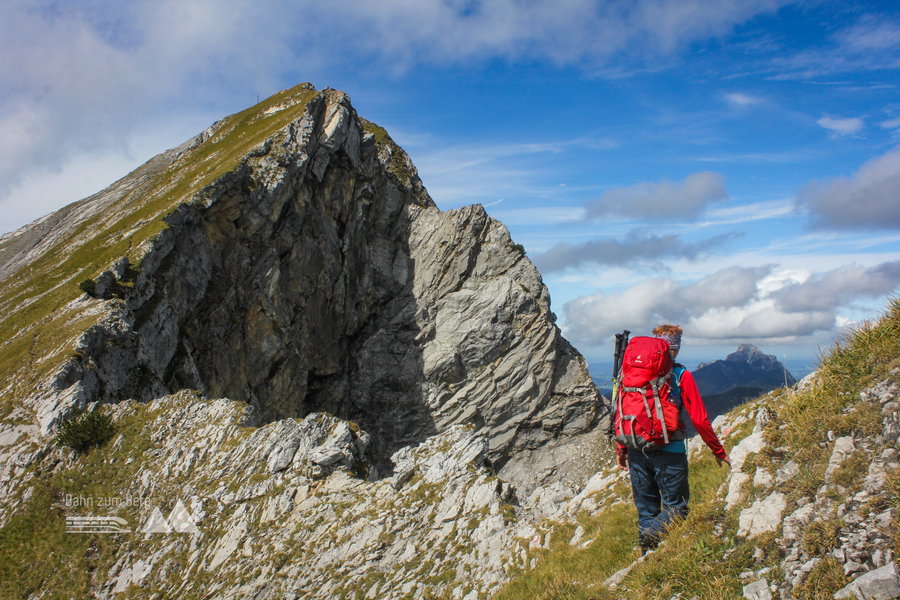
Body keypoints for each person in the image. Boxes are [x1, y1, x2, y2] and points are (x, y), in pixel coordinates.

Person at [615, 324, 731, 553]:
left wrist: (622, 449)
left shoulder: (628, 374)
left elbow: (621, 412)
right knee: (676, 508)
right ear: (675, 349)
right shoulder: (680, 375)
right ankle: (659, 544)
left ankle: (648, 558)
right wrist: (718, 451)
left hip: (637, 448)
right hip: (671, 452)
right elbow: (699, 419)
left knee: (647, 511)